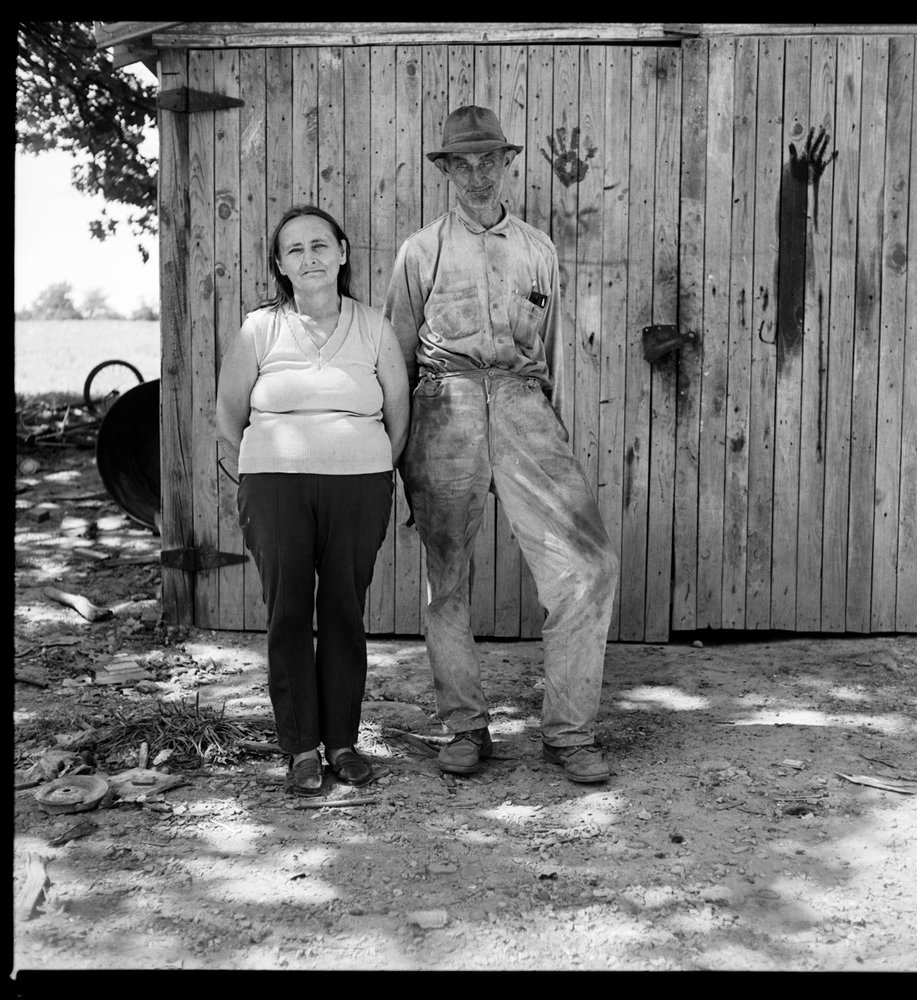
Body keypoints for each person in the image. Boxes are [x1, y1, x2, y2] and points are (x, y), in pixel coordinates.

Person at [384, 106, 619, 784]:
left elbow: (548, 357)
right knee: (446, 576)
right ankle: (464, 727)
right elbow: (395, 358)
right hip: (442, 406)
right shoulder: (420, 252)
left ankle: (570, 733)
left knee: (588, 565)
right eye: (464, 161)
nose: (478, 173)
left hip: (521, 403)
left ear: (508, 163)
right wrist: (398, 452)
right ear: (448, 170)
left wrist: (549, 425)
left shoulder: (539, 250)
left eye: (490, 159)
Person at [216, 205, 409, 795]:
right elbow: (228, 416)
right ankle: (300, 746)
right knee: (289, 611)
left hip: (359, 485)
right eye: (295, 249)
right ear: (280, 264)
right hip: (276, 487)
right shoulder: (260, 329)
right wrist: (268, 464)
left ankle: (344, 743)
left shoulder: (374, 326)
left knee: (345, 611)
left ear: (343, 253)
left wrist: (365, 461)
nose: (309, 258)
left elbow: (399, 417)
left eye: (320, 245)